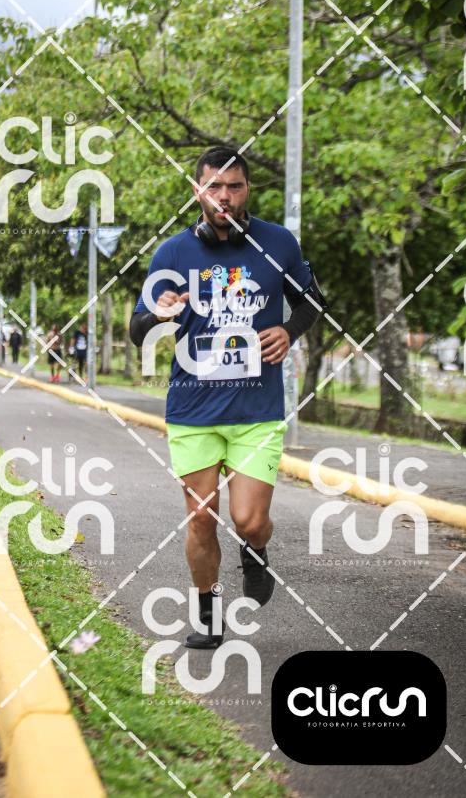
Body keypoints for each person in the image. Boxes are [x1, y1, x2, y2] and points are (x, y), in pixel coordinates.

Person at [130, 146, 326, 649]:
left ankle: (255, 550)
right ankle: (209, 615)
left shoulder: (278, 243)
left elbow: (312, 302)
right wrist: (158, 314)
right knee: (201, 517)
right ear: (198, 191)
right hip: (192, 410)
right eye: (214, 187)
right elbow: (136, 329)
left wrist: (288, 331)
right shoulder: (172, 253)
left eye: (234, 186)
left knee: (250, 521)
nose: (224, 196)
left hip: (256, 410)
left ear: (247, 190)